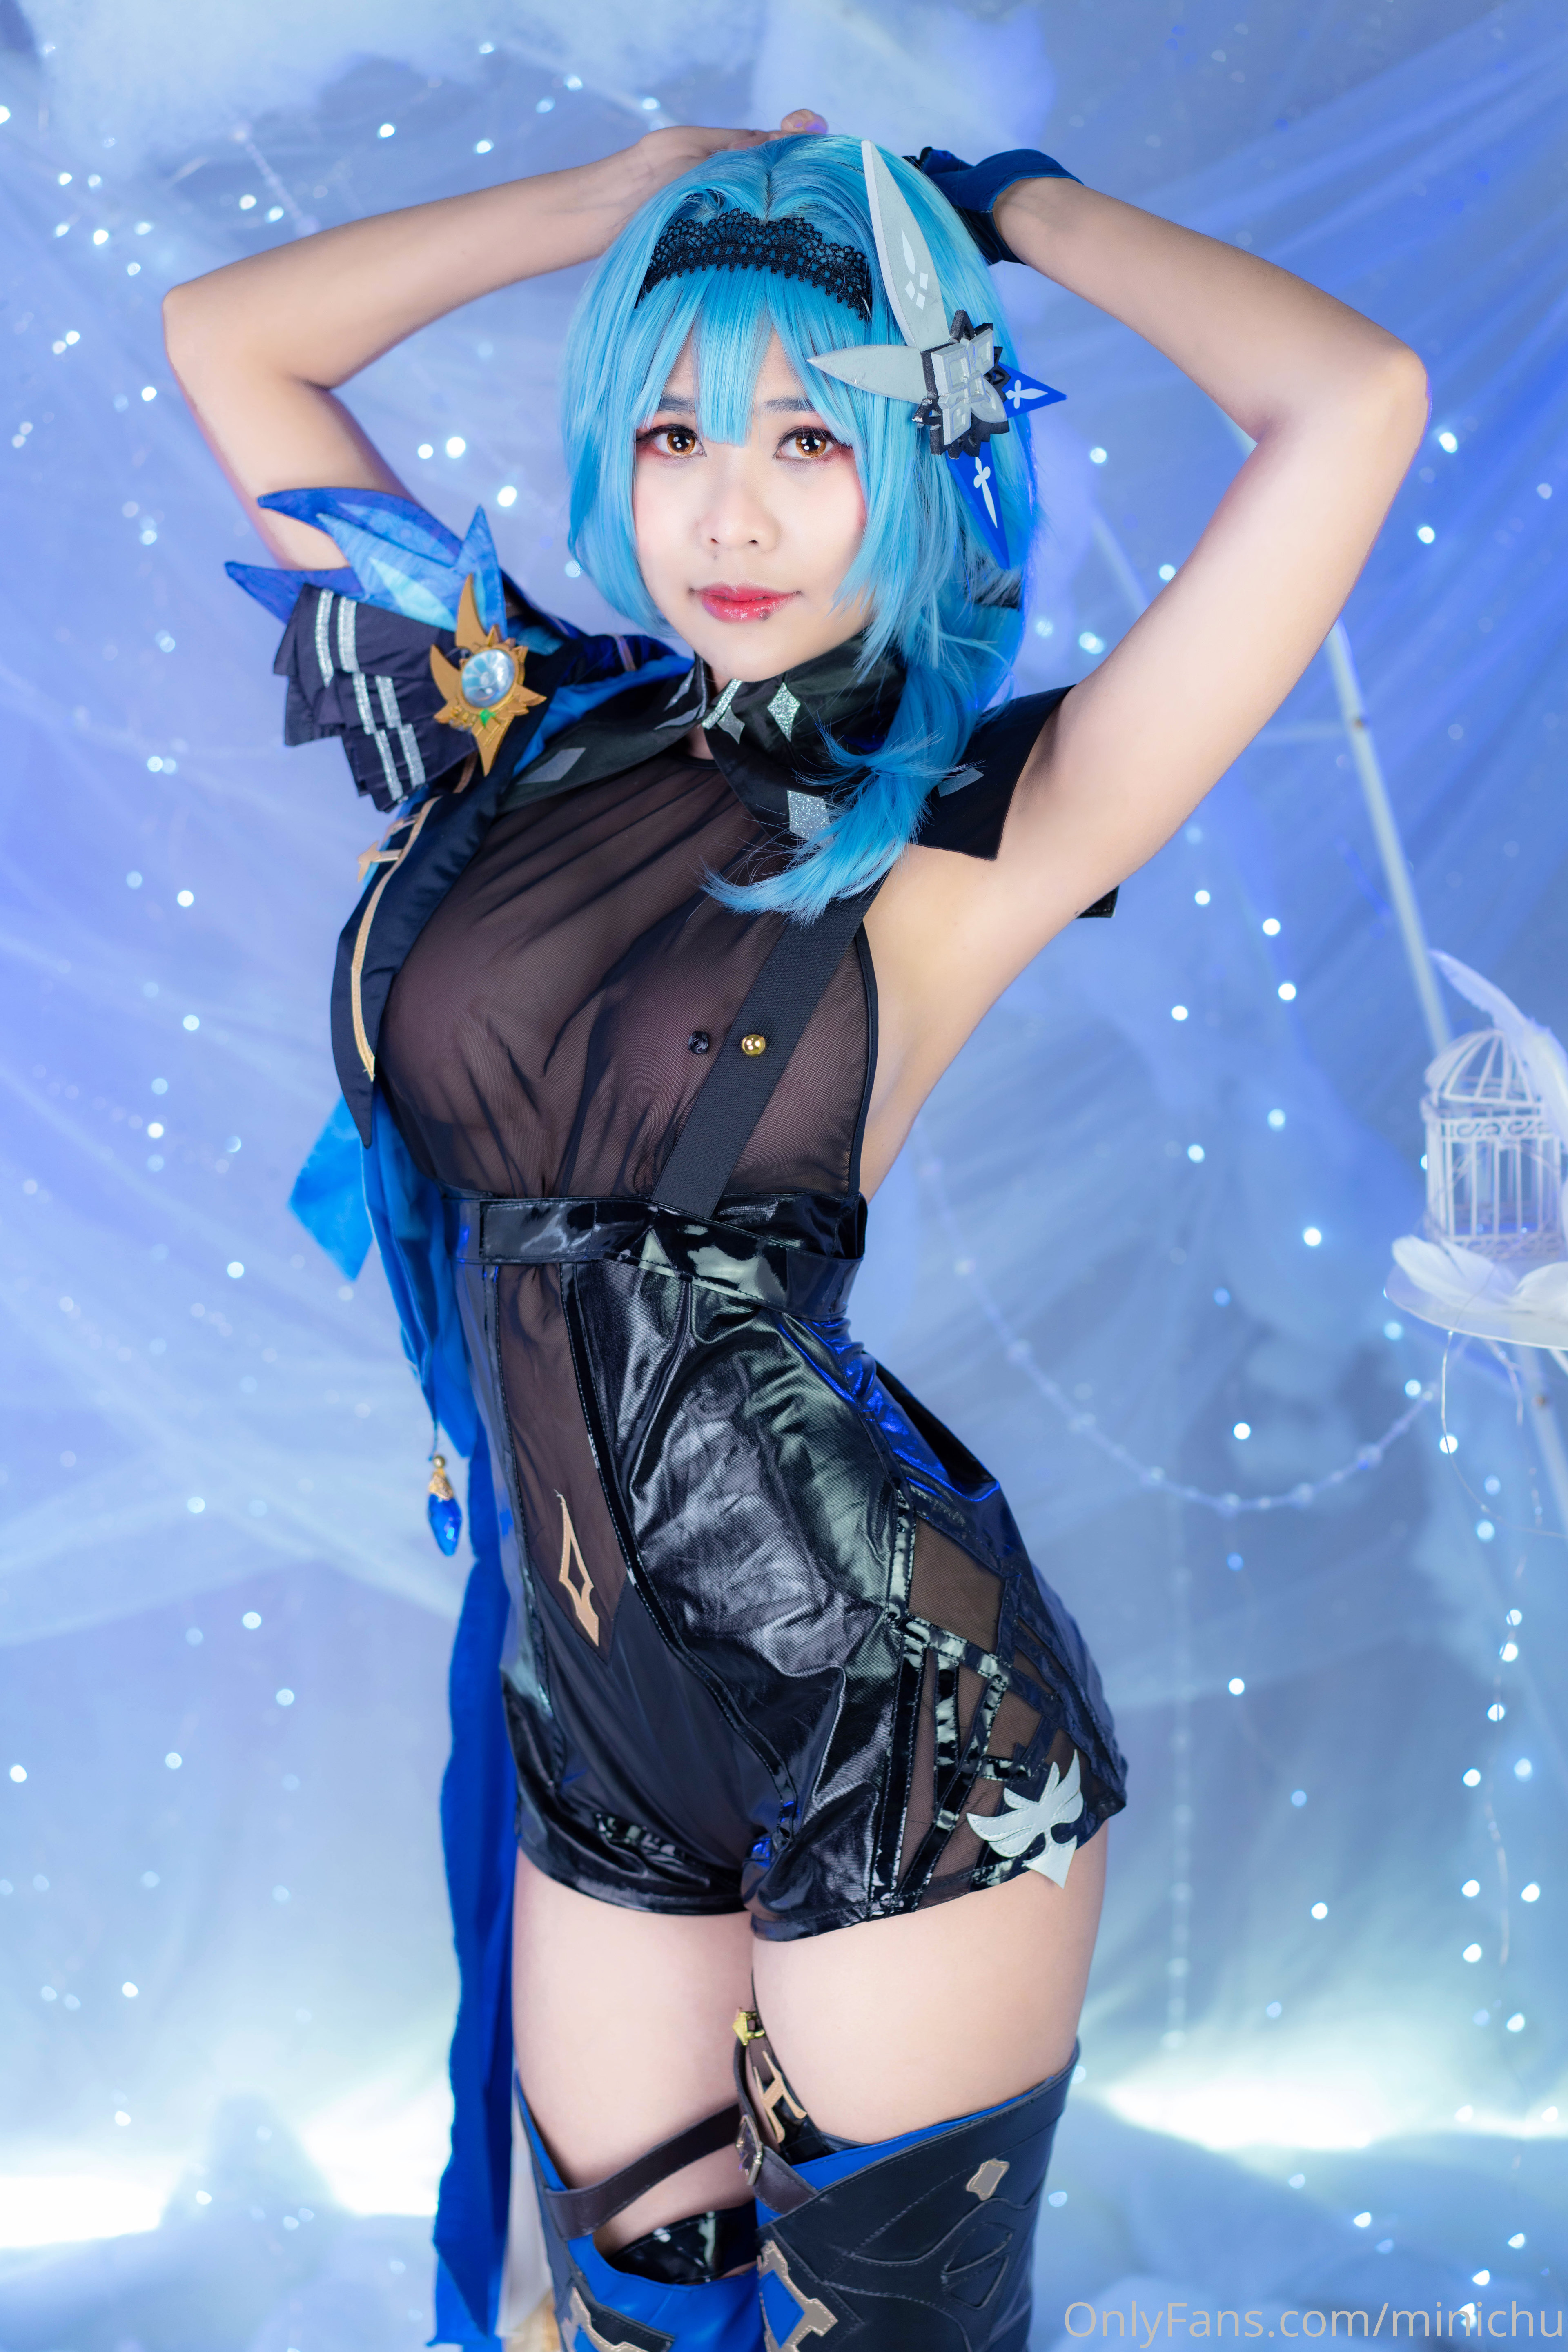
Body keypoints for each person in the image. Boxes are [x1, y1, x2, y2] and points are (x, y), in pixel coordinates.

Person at [163, 104, 1426, 2352]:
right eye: (672, 433)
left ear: (922, 458)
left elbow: (1356, 403)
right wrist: (619, 199)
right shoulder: (515, 726)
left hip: (892, 1707)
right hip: (597, 1711)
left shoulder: (977, 814)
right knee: (635, 2327)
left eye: (812, 439)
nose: (727, 510)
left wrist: (1009, 214)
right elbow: (228, 337)